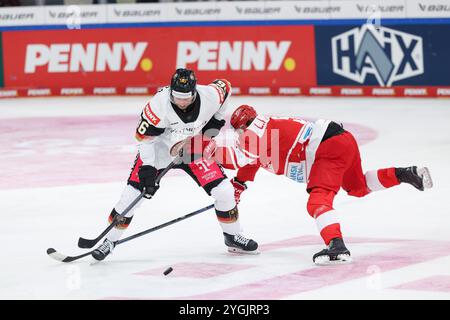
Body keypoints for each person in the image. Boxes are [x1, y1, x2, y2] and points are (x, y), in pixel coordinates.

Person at [214, 104, 433, 265]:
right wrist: (240, 183)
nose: (240, 135)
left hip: (327, 149)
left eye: (240, 130)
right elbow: (254, 161)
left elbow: (241, 159)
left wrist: (206, 155)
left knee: (318, 201)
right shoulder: (265, 131)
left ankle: (336, 245)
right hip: (342, 140)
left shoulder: (257, 133)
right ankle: (406, 174)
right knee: (358, 188)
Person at [91, 69, 258, 261]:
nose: (182, 102)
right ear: (171, 92)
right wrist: (147, 169)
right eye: (177, 97)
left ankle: (233, 236)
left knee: (224, 191)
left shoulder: (210, 95)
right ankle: (109, 241)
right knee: (132, 196)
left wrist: (215, 123)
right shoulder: (158, 105)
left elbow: (226, 87)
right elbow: (144, 139)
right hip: (160, 150)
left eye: (186, 97)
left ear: (195, 92)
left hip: (191, 148)